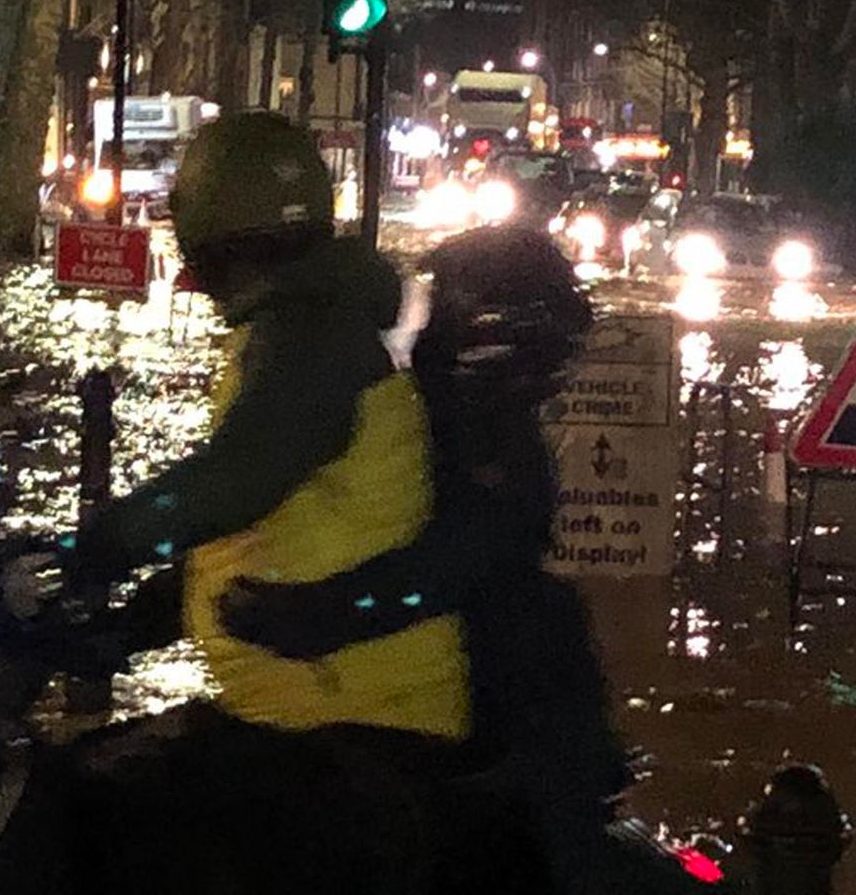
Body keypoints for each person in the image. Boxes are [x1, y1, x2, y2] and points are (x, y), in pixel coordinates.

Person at [219, 227, 704, 894]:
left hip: (511, 731)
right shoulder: (419, 414)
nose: (427, 325)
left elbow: (449, 567)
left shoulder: (495, 455)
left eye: (444, 309)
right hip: (433, 714)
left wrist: (319, 614)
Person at [68, 111, 474, 893]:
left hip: (345, 734)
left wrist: (93, 548)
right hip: (320, 714)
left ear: (205, 233)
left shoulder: (308, 335)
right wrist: (134, 621)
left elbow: (238, 480)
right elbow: (269, 517)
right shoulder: (325, 319)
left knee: (102, 820)